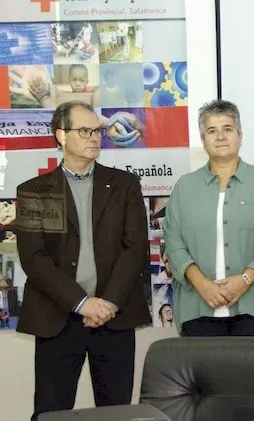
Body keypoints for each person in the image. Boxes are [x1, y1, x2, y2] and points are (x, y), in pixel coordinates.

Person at [14, 101, 150, 420]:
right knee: (52, 412)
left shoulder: (124, 185)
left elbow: (135, 249)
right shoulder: (36, 191)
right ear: (61, 135)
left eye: (98, 131)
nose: (95, 137)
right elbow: (34, 259)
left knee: (116, 412)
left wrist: (107, 304)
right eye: (85, 130)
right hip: (57, 318)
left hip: (113, 316)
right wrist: (81, 303)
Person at [164, 99, 254, 337]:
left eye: (227, 129)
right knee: (207, 376)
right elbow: (173, 242)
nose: (220, 136)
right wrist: (203, 285)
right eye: (212, 131)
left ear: (240, 135)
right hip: (198, 309)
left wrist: (244, 280)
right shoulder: (184, 187)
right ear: (203, 140)